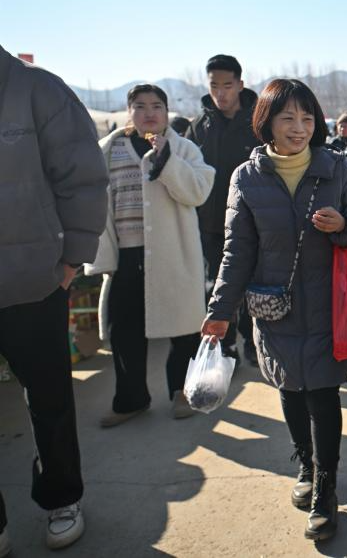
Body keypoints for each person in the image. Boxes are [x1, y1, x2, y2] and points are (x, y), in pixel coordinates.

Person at [202, 79, 347, 542]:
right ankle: (308, 467)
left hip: (328, 309)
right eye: (288, 118)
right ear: (267, 122)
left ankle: (326, 491)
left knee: (323, 395)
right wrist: (220, 309)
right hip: (273, 307)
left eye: (307, 118)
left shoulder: (335, 168)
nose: (299, 128)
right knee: (290, 391)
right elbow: (237, 251)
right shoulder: (247, 178)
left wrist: (343, 228)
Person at [0, 44, 109, 550]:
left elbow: (83, 178)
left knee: (48, 399)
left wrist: (72, 260)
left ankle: (61, 496)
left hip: (33, 279)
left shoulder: (36, 89)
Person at [85, 85, 215, 426]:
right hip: (126, 254)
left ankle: (183, 391)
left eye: (157, 106)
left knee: (184, 328)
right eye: (140, 106)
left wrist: (167, 161)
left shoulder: (183, 148)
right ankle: (131, 400)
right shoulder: (108, 148)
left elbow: (198, 192)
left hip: (173, 252)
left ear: (166, 111)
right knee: (123, 330)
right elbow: (92, 197)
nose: (149, 112)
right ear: (129, 111)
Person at [187, 54, 261, 366]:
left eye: (227, 85)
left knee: (255, 285)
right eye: (214, 86)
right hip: (212, 223)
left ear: (240, 85)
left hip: (254, 222)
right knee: (218, 286)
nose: (221, 93)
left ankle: (254, 344)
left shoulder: (258, 122)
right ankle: (225, 346)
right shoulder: (199, 126)